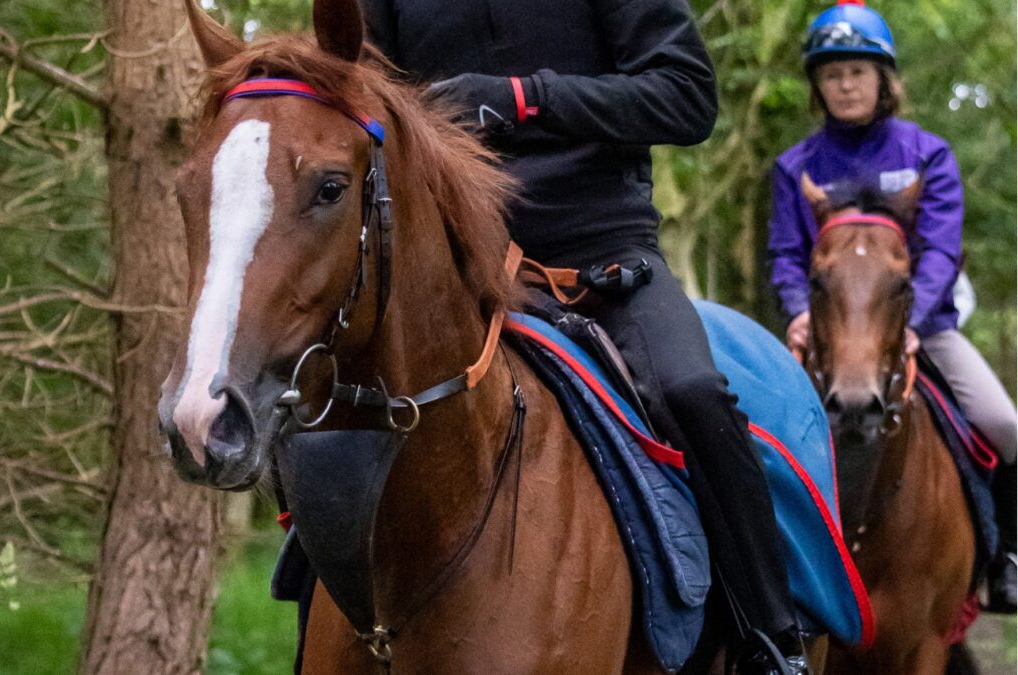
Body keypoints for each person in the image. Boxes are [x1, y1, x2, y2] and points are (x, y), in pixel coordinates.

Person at [362, 0, 810, 671]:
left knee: (691, 392)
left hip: (602, 259)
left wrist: (525, 100)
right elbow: (358, 105)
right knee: (337, 420)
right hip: (451, 268)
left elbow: (687, 97)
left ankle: (772, 641)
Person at [767, 0, 1016, 613]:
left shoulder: (928, 155)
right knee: (751, 425)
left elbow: (938, 253)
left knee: (1005, 424)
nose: (845, 84)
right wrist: (799, 309)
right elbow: (784, 254)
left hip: (916, 324)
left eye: (857, 71)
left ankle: (1006, 557)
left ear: (883, 79)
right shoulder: (794, 166)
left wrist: (912, 323)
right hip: (826, 327)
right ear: (817, 85)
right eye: (831, 74)